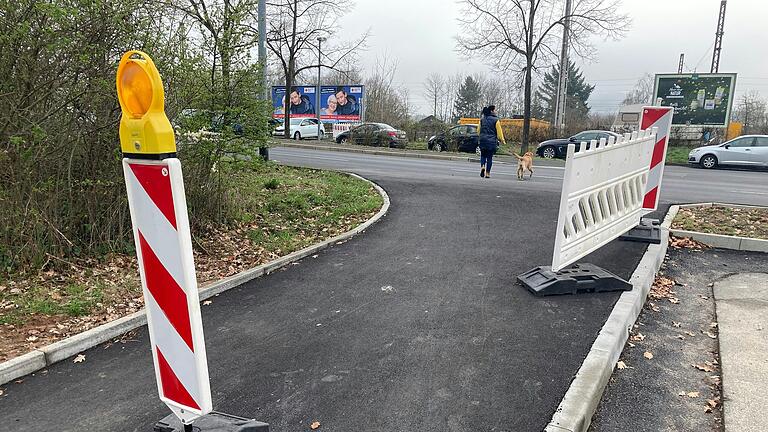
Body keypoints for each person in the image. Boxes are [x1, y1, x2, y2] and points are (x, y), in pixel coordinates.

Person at [478, 105, 505, 178]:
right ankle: (487, 173)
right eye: (495, 110)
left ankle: (482, 166)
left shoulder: (482, 119)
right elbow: (499, 133)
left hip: (483, 140)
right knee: (489, 158)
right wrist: (502, 140)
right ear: (492, 111)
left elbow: (478, 131)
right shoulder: (496, 120)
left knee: (483, 156)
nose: (496, 111)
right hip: (491, 141)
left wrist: (481, 136)